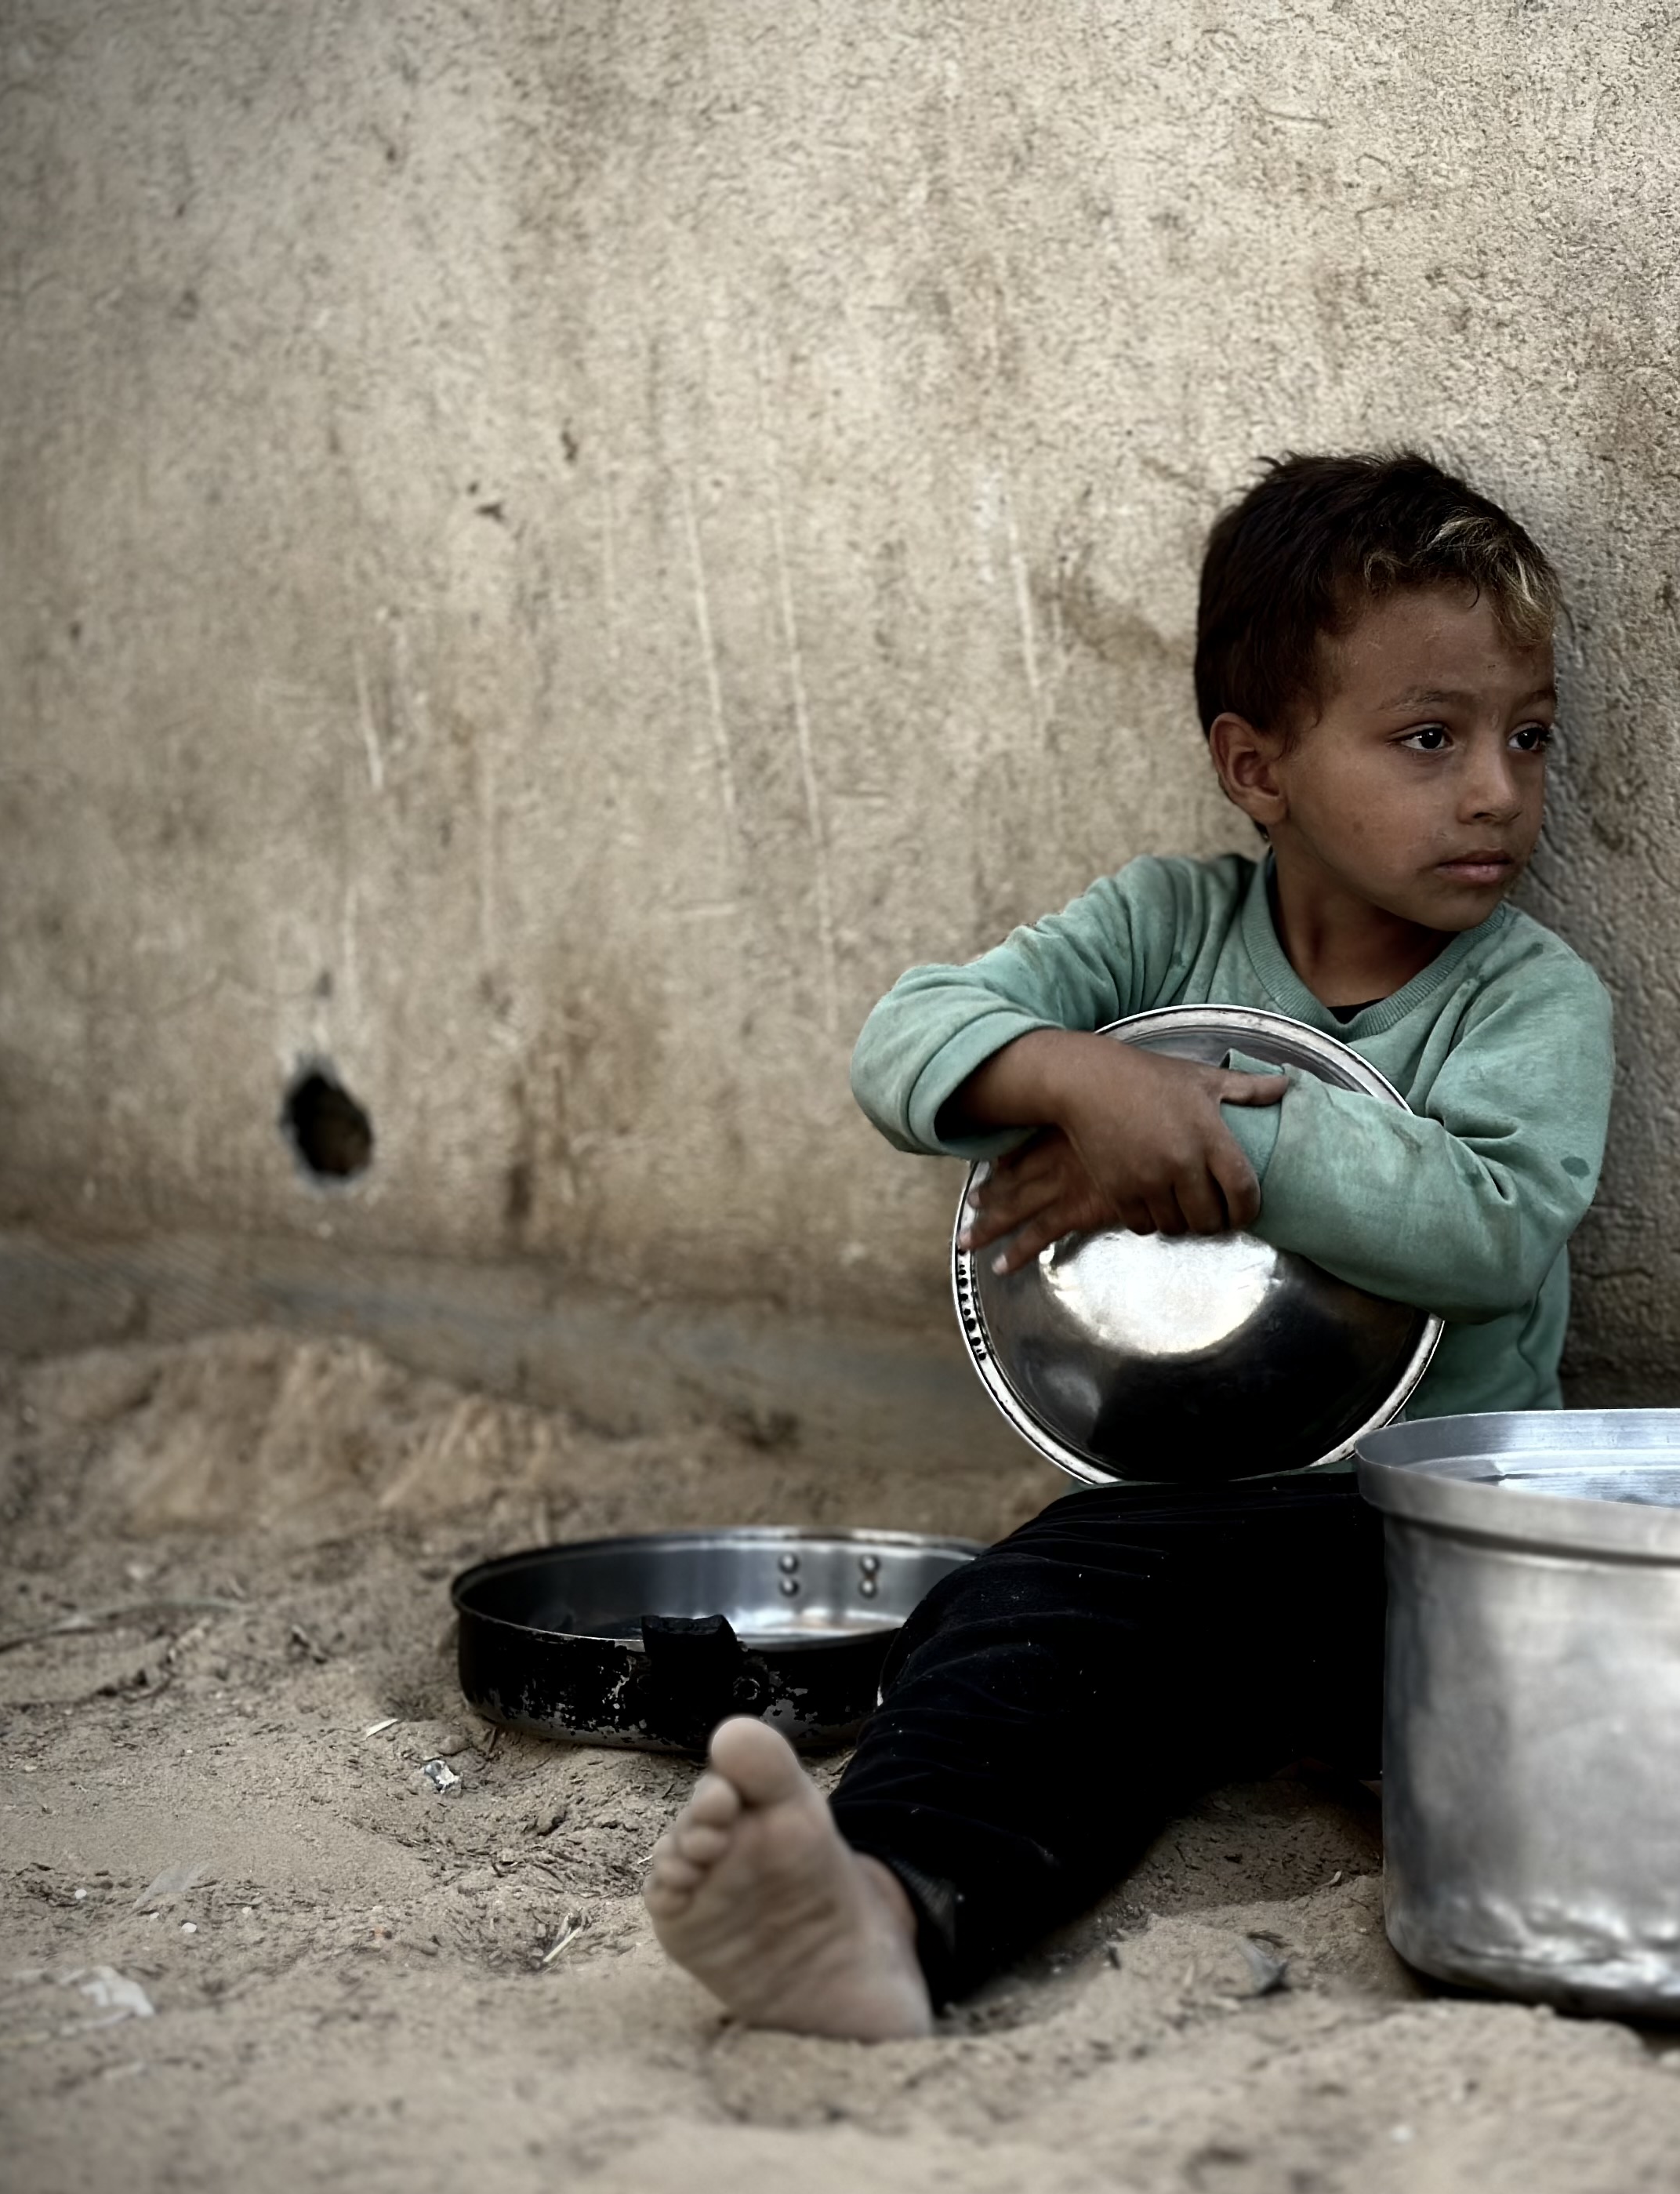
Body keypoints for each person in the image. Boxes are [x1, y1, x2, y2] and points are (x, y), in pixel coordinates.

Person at [645, 452, 1616, 2037]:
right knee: (1010, 1618)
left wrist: (1221, 1137)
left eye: (1528, 735)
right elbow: (909, 1037)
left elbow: (1494, 1225)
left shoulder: (1529, 1001)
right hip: (1187, 1528)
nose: (1498, 789)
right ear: (1259, 766)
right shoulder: (1165, 930)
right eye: (1428, 740)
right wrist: (1077, 1080)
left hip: (1440, 1539)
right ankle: (881, 1907)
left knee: (1527, 1705)